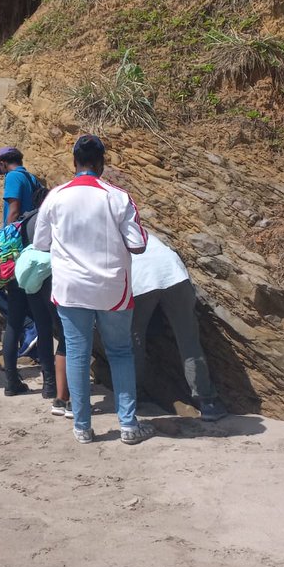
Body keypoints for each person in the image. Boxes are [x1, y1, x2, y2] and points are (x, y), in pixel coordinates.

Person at [32, 134, 154, 445]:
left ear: (74, 162)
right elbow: (138, 245)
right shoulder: (118, 197)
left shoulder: (55, 197)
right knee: (120, 352)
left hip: (71, 288)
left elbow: (41, 244)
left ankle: (82, 427)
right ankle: (128, 425)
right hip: (112, 289)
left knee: (77, 353)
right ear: (101, 164)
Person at [131, 233, 228, 421]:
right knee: (188, 339)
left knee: (133, 340)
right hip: (174, 275)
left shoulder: (107, 235)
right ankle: (208, 403)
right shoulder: (144, 232)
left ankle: (132, 395)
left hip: (141, 281)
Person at [0, 147, 56, 398]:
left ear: (3, 163)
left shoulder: (13, 176)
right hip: (38, 261)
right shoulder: (32, 178)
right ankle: (49, 385)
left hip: (20, 256)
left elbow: (13, 209)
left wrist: (5, 243)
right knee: (43, 322)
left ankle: (11, 381)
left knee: (14, 321)